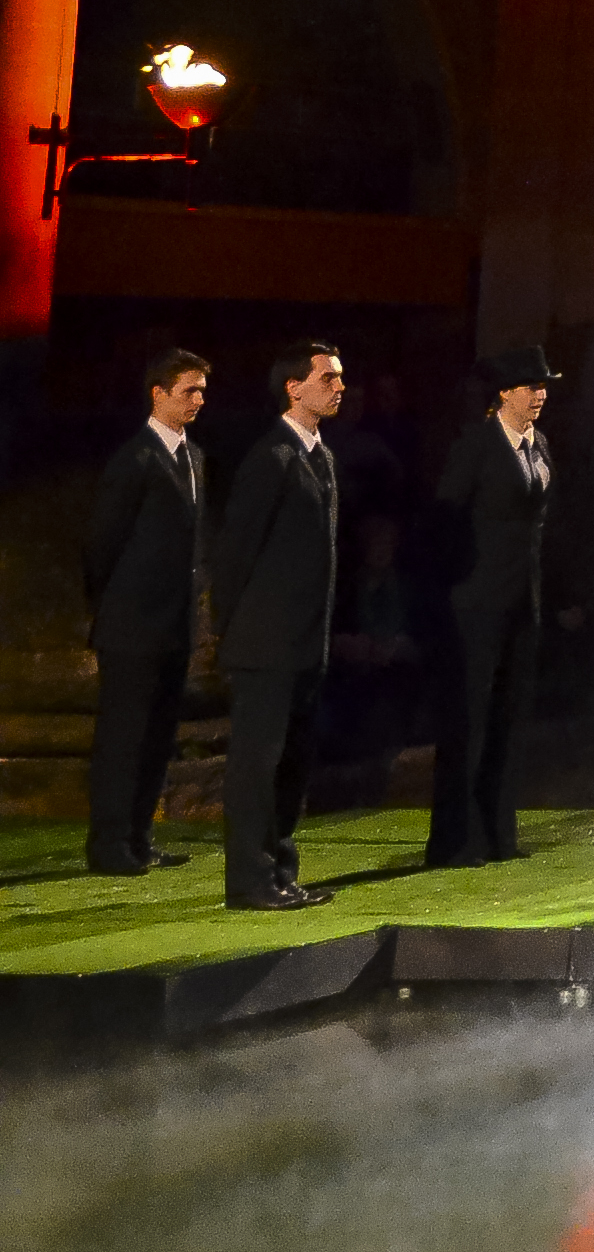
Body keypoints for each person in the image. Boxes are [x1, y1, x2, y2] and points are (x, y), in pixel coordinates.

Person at [211, 338, 345, 912]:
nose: (339, 387)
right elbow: (236, 552)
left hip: (303, 642)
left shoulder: (320, 455)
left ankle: (280, 871)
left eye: (339, 378)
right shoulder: (271, 458)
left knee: (292, 763)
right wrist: (233, 631)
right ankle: (250, 878)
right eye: (328, 378)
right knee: (257, 765)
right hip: (266, 643)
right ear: (295, 386)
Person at [425, 345, 556, 866]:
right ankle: (458, 838)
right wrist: (460, 579)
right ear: (505, 392)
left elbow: (540, 525)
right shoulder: (477, 444)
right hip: (477, 601)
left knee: (508, 714)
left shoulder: (539, 443)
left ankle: (500, 832)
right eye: (530, 386)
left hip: (523, 599)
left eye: (543, 386)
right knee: (470, 718)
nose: (540, 394)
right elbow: (444, 516)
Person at [82, 345, 209, 874]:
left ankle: (139, 836)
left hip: (172, 625)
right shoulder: (135, 459)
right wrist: (112, 607)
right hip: (132, 626)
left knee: (158, 736)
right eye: (189, 390)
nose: (199, 400)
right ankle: (110, 843)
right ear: (158, 394)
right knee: (123, 736)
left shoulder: (194, 457)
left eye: (202, 390)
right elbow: (101, 545)